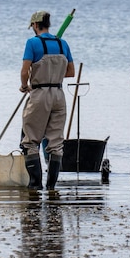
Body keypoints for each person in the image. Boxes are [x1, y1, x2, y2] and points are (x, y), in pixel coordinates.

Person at [20, 10, 75, 191]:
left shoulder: (32, 43)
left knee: (30, 140)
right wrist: (55, 74)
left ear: (35, 25)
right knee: (56, 142)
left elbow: (24, 70)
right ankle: (51, 186)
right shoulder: (62, 44)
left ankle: (35, 185)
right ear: (48, 25)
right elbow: (71, 72)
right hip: (59, 95)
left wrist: (24, 85)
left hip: (39, 93)